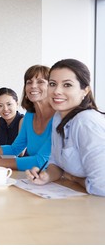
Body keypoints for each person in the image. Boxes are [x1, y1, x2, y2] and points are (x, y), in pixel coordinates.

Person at [26, 59, 105, 196]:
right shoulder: (58, 117)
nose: (57, 91)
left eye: (67, 85)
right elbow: (56, 163)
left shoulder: (86, 121)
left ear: (84, 90)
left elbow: (101, 186)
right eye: (52, 84)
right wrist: (46, 176)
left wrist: (74, 178)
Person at [0, 65, 54, 171]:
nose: (33, 86)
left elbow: (41, 161)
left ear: (52, 87)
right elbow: (14, 149)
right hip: (31, 176)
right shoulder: (29, 116)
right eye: (29, 82)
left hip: (53, 179)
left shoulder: (58, 119)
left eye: (40, 82)